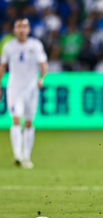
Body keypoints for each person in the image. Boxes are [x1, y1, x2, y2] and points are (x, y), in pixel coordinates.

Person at [0, 19, 48, 169]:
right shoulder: (8, 46)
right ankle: (17, 155)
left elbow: (43, 64)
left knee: (28, 123)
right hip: (14, 88)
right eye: (18, 27)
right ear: (14, 30)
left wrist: (41, 78)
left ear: (29, 30)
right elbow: (2, 66)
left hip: (31, 89)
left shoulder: (35, 45)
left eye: (24, 27)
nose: (21, 30)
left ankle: (26, 156)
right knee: (15, 120)